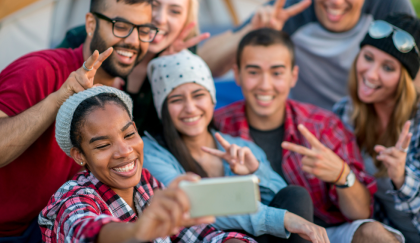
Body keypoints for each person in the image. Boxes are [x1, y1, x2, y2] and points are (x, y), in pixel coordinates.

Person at [213, 28, 405, 242]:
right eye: (253, 72)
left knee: (374, 234)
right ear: (237, 74)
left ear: (293, 76)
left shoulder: (323, 126)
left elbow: (361, 212)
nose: (265, 85)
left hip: (324, 232)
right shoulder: (218, 125)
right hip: (250, 232)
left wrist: (342, 175)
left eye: (276, 73)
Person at [0, 0, 155, 241]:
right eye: (121, 26)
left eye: (143, 30)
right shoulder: (40, 70)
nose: (133, 41)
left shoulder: (117, 97)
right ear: (91, 24)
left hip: (63, 227)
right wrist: (60, 98)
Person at [199, 0, 415, 110]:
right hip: (311, 124)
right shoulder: (293, 8)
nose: (337, 0)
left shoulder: (388, 5)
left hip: (373, 118)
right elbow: (203, 63)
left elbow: (414, 77)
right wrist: (249, 32)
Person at [142, 49, 329, 243]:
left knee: (296, 194)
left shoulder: (239, 146)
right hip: (206, 239)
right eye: (176, 100)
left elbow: (285, 200)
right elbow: (193, 203)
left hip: (258, 236)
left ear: (212, 99)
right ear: (162, 108)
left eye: (198, 95)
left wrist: (255, 172)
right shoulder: (152, 152)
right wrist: (282, 220)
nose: (190, 108)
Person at [39, 85, 255, 243]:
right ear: (80, 155)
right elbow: (85, 229)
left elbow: (200, 235)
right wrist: (136, 232)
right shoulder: (71, 200)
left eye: (129, 134)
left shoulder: (145, 181)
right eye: (103, 145)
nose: (125, 151)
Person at [58, 0, 209, 136]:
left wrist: (167, 72)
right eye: (153, 5)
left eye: (175, 11)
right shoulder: (86, 38)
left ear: (186, 21)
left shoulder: (182, 60)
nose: (160, 19)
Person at [333, 13, 420, 242]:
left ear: (407, 79)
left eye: (388, 68)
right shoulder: (344, 113)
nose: (371, 74)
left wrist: (402, 178)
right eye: (368, 57)